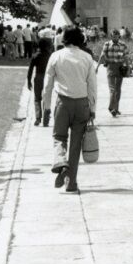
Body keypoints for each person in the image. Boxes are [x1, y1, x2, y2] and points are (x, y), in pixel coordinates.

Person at [42, 26, 97, 193]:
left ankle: (60, 161)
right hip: (82, 104)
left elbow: (48, 85)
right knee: (76, 144)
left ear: (64, 38)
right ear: (80, 39)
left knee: (59, 137)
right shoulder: (87, 58)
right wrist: (92, 108)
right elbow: (92, 87)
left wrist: (46, 106)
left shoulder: (56, 56)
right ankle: (71, 182)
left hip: (63, 102)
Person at [98, 29, 128, 117]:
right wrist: (97, 67)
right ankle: (111, 107)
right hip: (110, 67)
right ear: (111, 36)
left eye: (117, 36)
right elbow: (102, 55)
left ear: (119, 36)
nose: (115, 38)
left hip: (120, 67)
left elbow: (125, 56)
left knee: (118, 89)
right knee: (112, 89)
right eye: (113, 36)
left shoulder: (123, 45)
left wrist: (129, 67)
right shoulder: (107, 44)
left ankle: (116, 108)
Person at [27, 37, 54, 126]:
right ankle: (46, 117)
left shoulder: (35, 55)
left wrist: (29, 81)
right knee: (47, 97)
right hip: (48, 77)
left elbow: (30, 70)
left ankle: (38, 118)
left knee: (37, 98)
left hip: (38, 77)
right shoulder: (50, 56)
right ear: (47, 46)